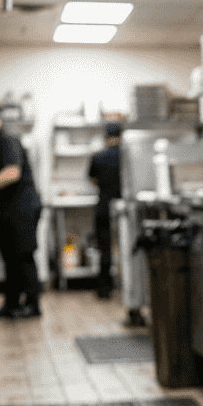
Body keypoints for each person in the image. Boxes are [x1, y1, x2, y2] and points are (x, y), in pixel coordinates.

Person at [0, 103, 44, 318]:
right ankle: (12, 304)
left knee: (23, 254)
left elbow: (12, 173)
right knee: (8, 254)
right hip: (7, 208)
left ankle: (33, 306)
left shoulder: (8, 140)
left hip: (23, 206)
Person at [87, 122, 123, 299]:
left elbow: (92, 179)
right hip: (123, 208)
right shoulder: (126, 157)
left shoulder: (98, 156)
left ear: (105, 138)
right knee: (124, 246)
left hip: (104, 205)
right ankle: (127, 286)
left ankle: (104, 289)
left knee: (105, 248)